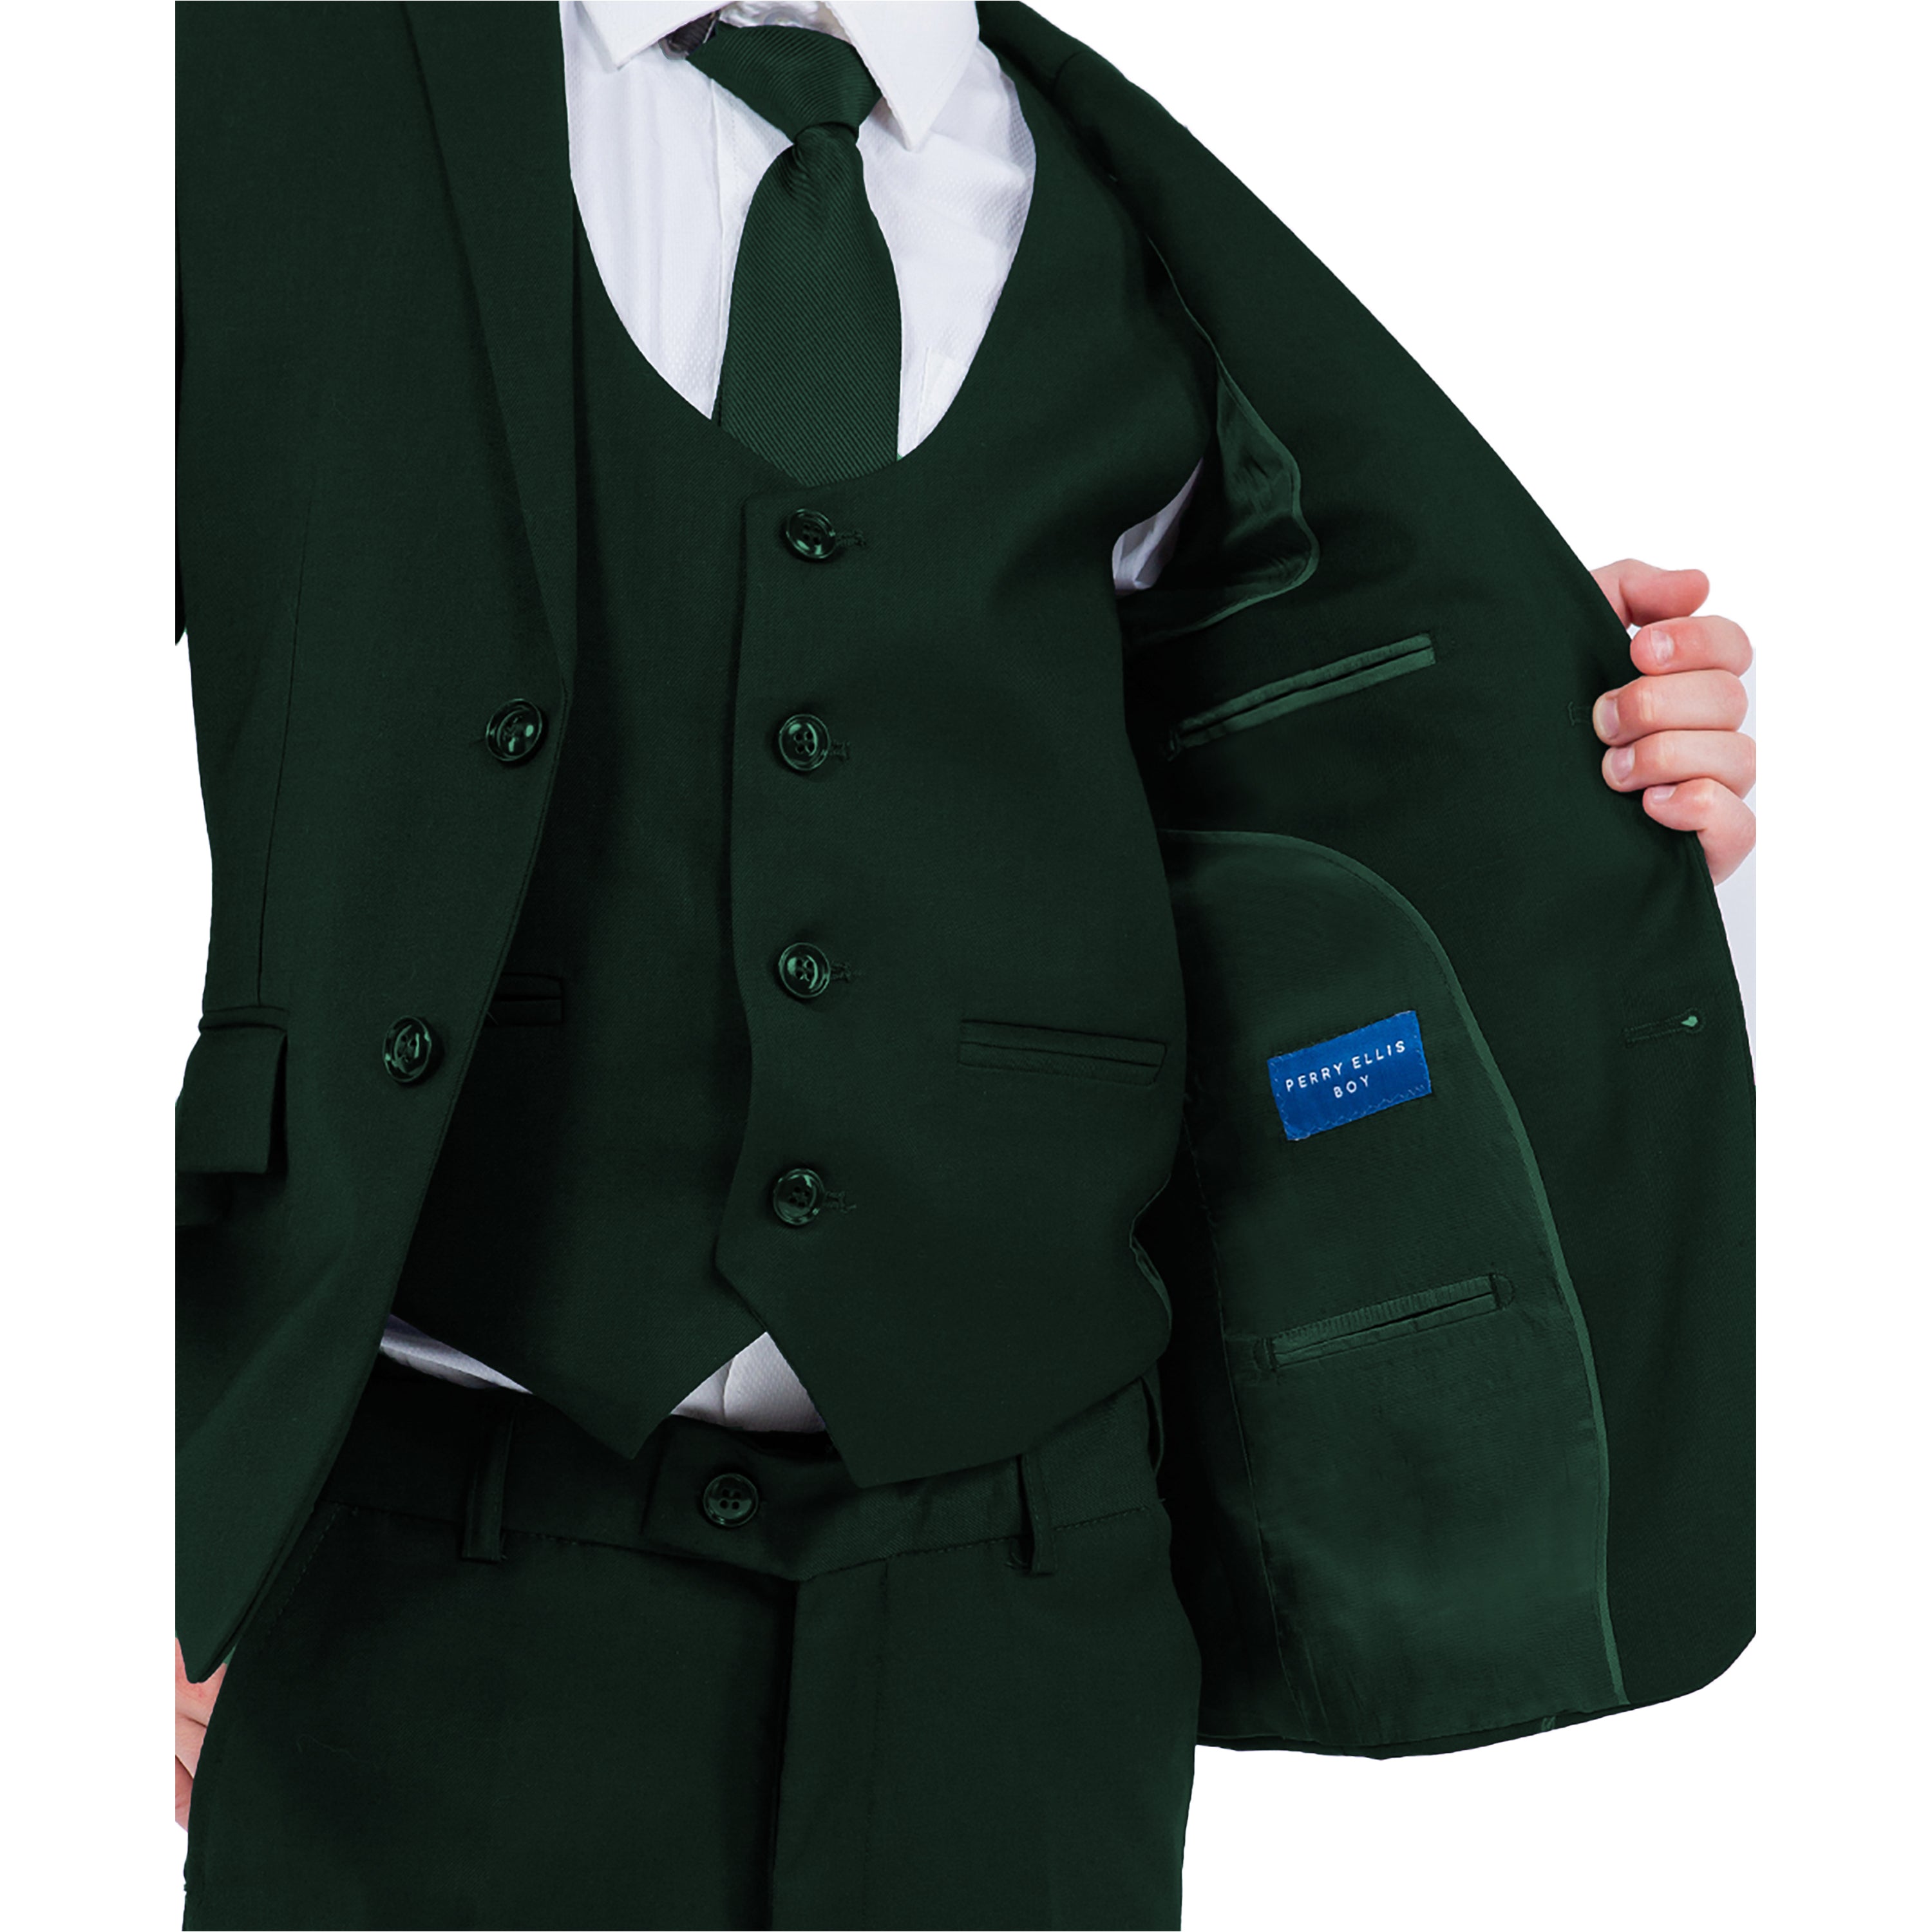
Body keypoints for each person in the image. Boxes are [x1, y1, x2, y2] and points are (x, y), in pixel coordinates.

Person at [173, 5, 1756, 1927]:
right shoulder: (250, 75)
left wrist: (1578, 778)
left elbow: (1296, 791)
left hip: (1021, 1641)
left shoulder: (1116, 211)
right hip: (424, 1614)